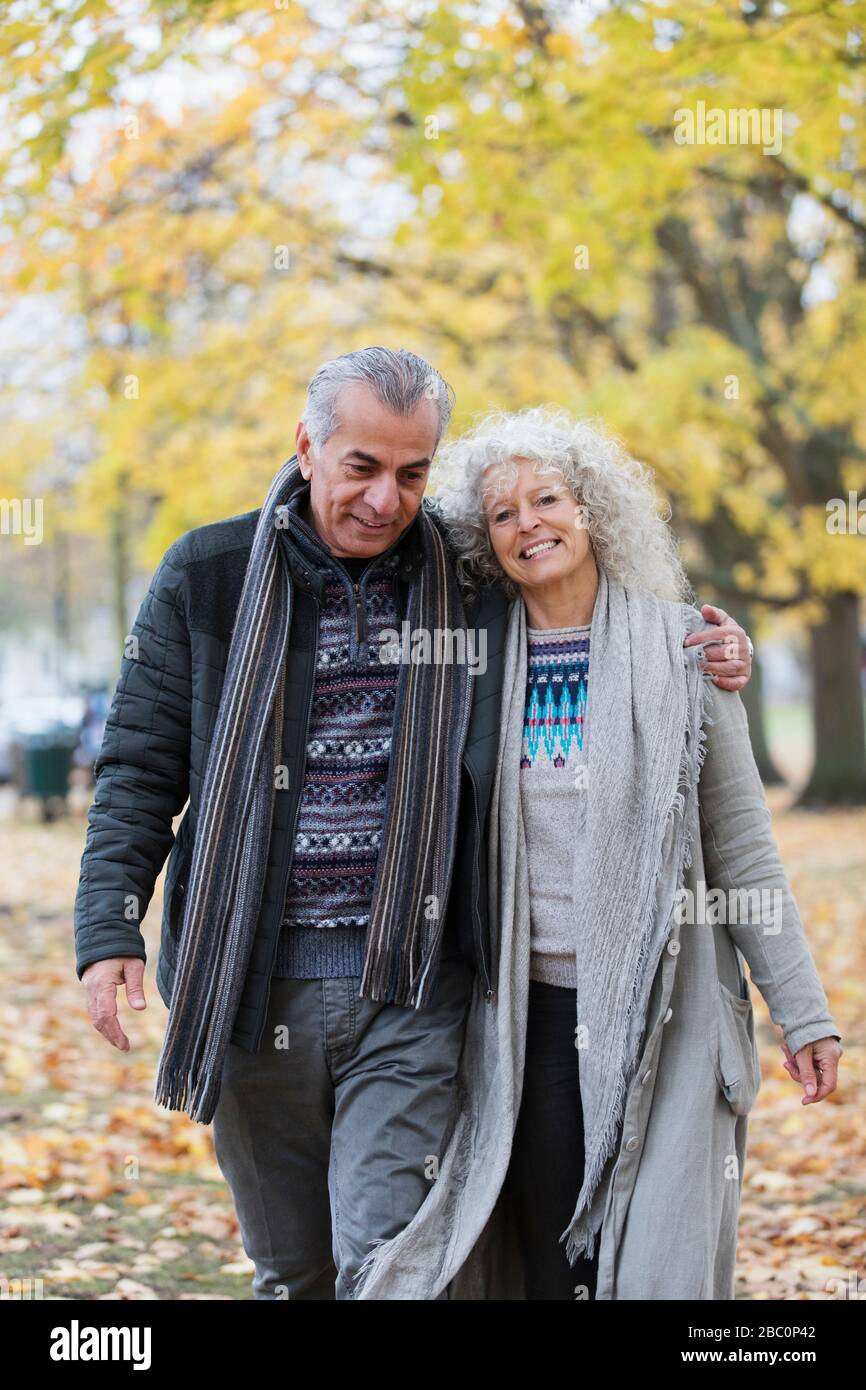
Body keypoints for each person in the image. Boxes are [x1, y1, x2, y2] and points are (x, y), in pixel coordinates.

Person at [73, 354, 752, 1301]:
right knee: (293, 1271)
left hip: (412, 988)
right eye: (362, 467)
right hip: (246, 985)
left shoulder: (469, 580)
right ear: (307, 447)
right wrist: (109, 930)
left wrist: (708, 644)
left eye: (413, 473)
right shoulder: (209, 575)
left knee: (392, 1266)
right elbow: (139, 768)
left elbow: (587, 608)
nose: (386, 500)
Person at [350, 406, 841, 1301]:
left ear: (592, 512)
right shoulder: (477, 662)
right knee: (546, 1262)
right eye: (504, 514)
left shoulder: (686, 649)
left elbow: (742, 851)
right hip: (522, 1022)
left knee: (657, 1264)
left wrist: (802, 1015)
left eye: (548, 499)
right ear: (484, 540)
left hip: (671, 1011)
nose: (529, 523)